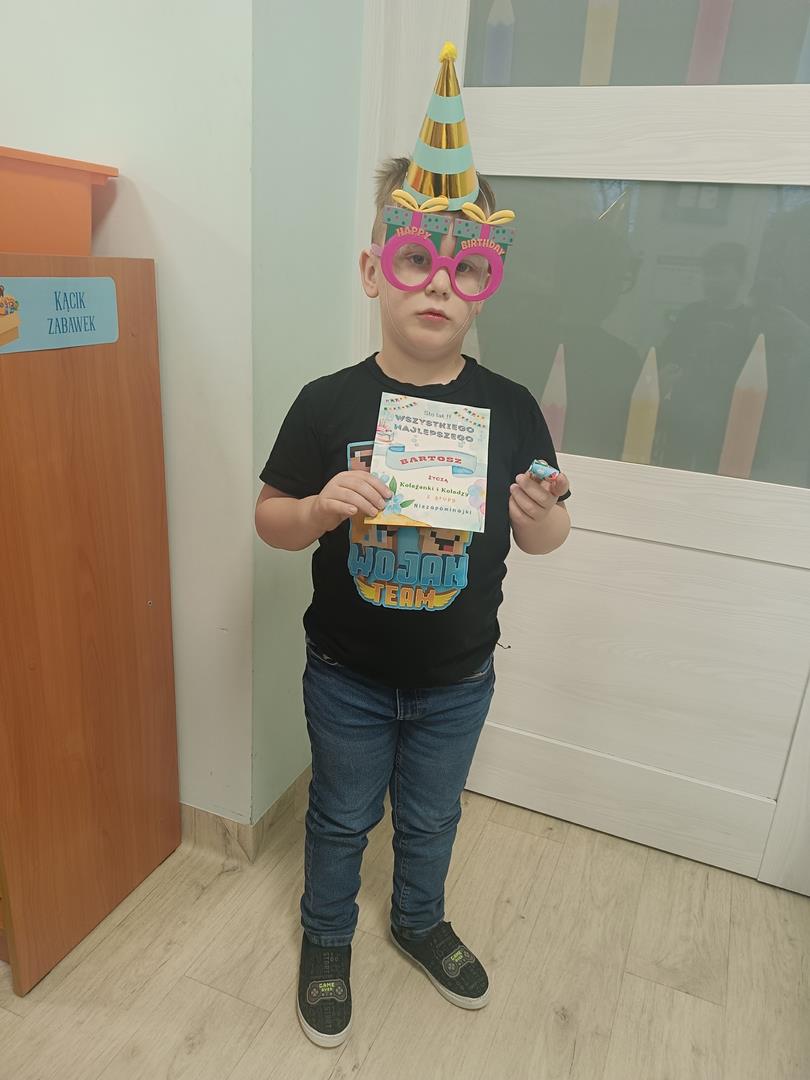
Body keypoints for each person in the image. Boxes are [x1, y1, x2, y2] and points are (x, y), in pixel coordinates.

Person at [255, 43, 571, 1049]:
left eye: (464, 266)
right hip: (346, 673)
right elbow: (269, 516)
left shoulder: (510, 408)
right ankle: (327, 934)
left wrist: (541, 517)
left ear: (486, 285)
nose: (438, 283)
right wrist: (317, 509)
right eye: (413, 260)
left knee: (433, 819)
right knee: (341, 815)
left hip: (457, 679)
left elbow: (549, 530)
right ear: (372, 271)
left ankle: (419, 919)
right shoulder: (327, 403)